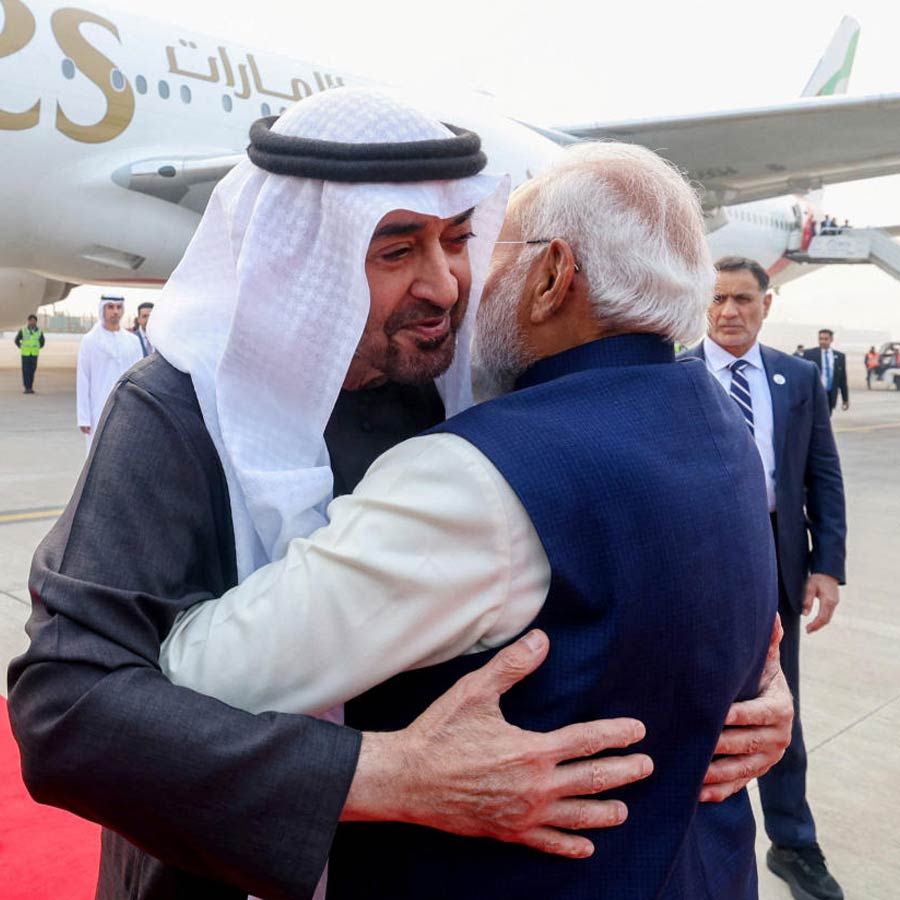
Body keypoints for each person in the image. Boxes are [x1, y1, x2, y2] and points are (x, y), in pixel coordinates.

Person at [9, 89, 661, 900]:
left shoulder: (464, 386)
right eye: (395, 252)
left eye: (457, 240)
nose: (446, 285)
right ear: (302, 263)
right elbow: (67, 711)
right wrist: (389, 775)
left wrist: (741, 688)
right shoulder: (180, 408)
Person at [160, 143, 783, 899]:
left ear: (551, 276)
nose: (461, 286)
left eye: (485, 250)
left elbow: (211, 676)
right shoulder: (719, 420)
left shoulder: (484, 472)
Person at [682, 255, 847, 900]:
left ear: (766, 304)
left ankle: (793, 842)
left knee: (780, 706)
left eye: (743, 300)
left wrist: (826, 565)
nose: (728, 312)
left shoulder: (798, 376)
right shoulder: (674, 375)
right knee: (691, 700)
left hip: (777, 559)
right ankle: (688, 837)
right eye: (718, 299)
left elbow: (821, 475)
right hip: (698, 562)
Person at [75, 295, 143, 451]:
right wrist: (84, 417)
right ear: (102, 309)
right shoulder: (90, 341)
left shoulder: (132, 341)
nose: (115, 312)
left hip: (128, 408)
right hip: (98, 409)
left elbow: (140, 377)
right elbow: (83, 379)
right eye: (110, 307)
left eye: (119, 307)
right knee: (98, 452)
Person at [804, 329, 849, 414]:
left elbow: (843, 379)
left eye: (825, 339)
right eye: (820, 339)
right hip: (814, 394)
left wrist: (845, 399)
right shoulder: (809, 354)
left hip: (830, 395)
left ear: (831, 340)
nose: (822, 341)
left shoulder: (840, 356)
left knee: (826, 420)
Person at [13, 313, 44, 393]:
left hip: (34, 354)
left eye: (34, 321)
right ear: (28, 321)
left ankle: (30, 387)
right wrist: (21, 346)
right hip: (25, 354)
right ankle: (27, 388)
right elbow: (16, 340)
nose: (32, 322)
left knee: (32, 371)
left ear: (36, 322)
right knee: (26, 371)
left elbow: (42, 342)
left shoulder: (39, 331)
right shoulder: (23, 330)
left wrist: (37, 347)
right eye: (31, 321)